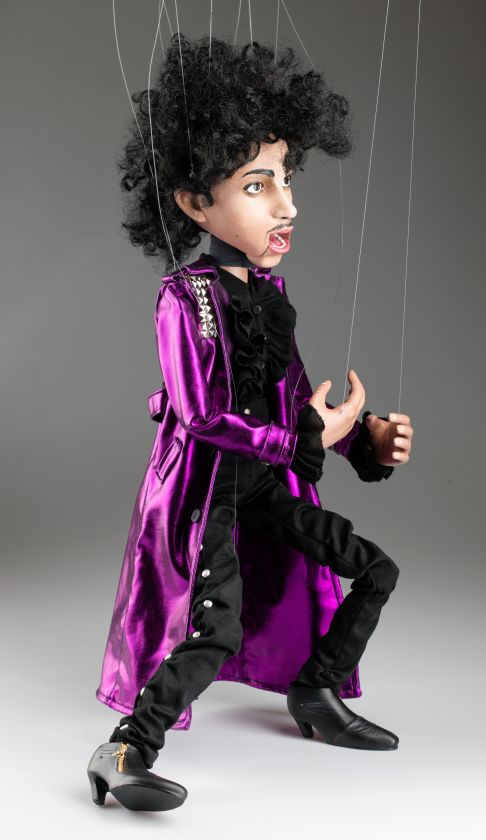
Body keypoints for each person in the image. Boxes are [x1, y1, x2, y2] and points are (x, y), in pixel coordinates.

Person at [87, 34, 414, 812]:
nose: (287, 205)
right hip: (208, 496)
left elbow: (296, 399)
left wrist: (361, 440)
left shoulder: (269, 297)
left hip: (263, 484)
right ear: (195, 203)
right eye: (258, 186)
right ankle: (125, 746)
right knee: (215, 628)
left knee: (376, 569)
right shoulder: (184, 297)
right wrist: (300, 438)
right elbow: (201, 414)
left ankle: (316, 691)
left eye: (286, 180)